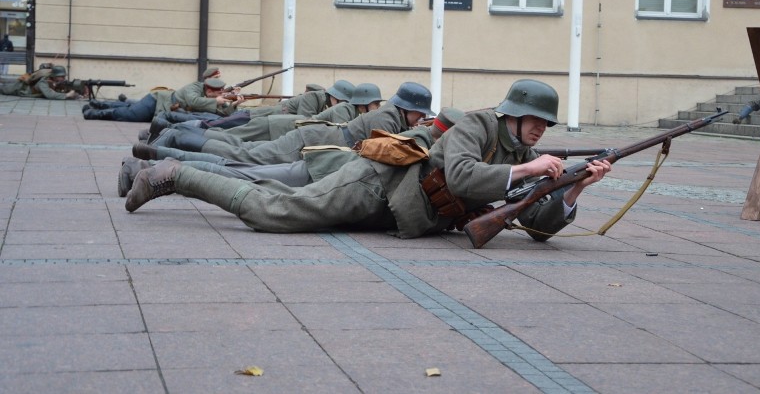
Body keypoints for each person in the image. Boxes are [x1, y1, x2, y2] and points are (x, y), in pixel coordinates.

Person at [124, 79, 610, 243]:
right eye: (535, 120)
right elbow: (461, 176)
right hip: (374, 185)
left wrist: (573, 188)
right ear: (515, 113)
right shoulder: (477, 127)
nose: (541, 129)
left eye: (545, 124)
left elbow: (539, 225)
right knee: (271, 212)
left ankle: (166, 166)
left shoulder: (521, 154)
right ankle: (173, 174)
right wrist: (529, 169)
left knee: (269, 190)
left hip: (397, 213)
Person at [117, 107, 465, 197]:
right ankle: (161, 150)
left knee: (237, 158)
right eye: (419, 112)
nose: (421, 117)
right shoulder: (396, 121)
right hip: (316, 154)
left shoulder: (400, 121)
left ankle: (154, 154)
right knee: (239, 160)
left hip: (317, 150)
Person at [131, 81, 433, 165]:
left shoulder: (388, 116)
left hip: (307, 139)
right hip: (304, 140)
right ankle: (178, 134)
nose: (421, 119)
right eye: (420, 114)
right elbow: (394, 149)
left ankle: (177, 135)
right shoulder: (386, 118)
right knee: (241, 152)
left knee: (238, 147)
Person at [156, 82, 384, 145]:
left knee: (218, 127)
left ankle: (172, 128)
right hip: (260, 117)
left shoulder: (332, 106)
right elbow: (304, 121)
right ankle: (171, 127)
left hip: (269, 121)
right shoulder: (315, 98)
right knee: (215, 126)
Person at [83, 77, 244, 122]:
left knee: (129, 109)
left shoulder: (210, 97)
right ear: (209, 90)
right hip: (157, 101)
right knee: (129, 114)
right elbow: (194, 102)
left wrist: (234, 104)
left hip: (163, 110)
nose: (220, 96)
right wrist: (217, 101)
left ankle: (99, 104)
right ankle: (94, 113)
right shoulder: (194, 88)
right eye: (217, 93)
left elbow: (222, 114)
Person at [0, 64, 79, 99]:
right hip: (20, 88)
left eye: (64, 76)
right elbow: (49, 95)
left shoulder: (55, 81)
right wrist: (67, 95)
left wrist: (75, 93)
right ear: (54, 76)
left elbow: (58, 89)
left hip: (23, 87)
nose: (63, 78)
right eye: (61, 76)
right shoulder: (43, 81)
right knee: (2, 89)